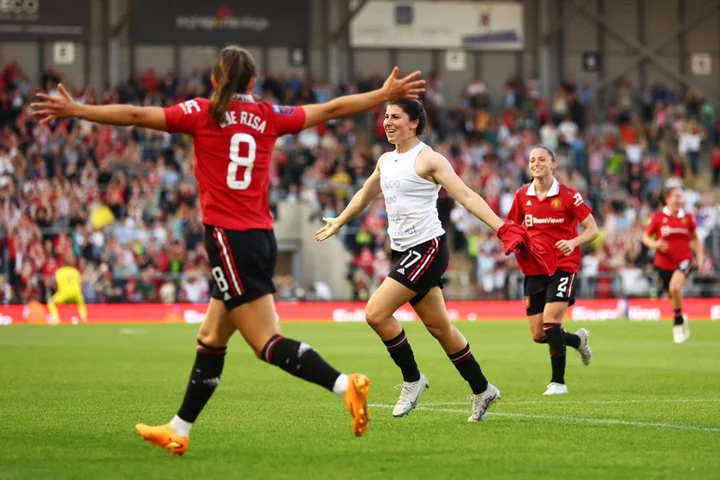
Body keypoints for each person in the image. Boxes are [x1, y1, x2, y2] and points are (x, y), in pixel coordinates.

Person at [33, 46, 426, 455]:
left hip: (228, 239)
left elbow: (135, 115)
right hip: (260, 237)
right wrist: (381, 96)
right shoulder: (268, 116)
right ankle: (179, 429)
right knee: (211, 337)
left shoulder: (201, 113)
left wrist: (78, 109)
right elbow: (330, 109)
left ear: (214, 80)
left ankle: (346, 385)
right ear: (253, 83)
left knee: (265, 343)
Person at [315, 99, 527, 422]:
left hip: (427, 248)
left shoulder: (429, 159)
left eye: (395, 117)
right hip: (403, 251)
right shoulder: (385, 160)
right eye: (385, 116)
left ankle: (412, 379)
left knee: (375, 313)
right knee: (440, 328)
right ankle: (483, 389)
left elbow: (467, 195)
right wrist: (339, 221)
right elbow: (364, 194)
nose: (387, 122)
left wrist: (501, 227)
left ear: (413, 123)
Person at [506, 145, 598, 396]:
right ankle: (578, 341)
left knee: (551, 322)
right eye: (532, 159)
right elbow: (511, 227)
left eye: (542, 159)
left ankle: (558, 382)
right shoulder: (521, 196)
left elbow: (592, 230)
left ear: (553, 164)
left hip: (562, 267)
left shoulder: (569, 196)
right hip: (533, 270)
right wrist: (514, 241)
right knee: (538, 334)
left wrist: (573, 242)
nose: (536, 163)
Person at [642, 186, 704, 344]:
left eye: (681, 197)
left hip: (684, 260)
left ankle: (677, 323)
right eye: (677, 196)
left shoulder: (688, 218)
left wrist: (701, 257)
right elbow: (645, 237)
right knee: (672, 294)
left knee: (675, 287)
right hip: (662, 264)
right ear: (667, 198)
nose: (680, 200)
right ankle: (680, 315)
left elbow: (695, 238)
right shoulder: (658, 217)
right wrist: (655, 245)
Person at [47, 260, 87, 325]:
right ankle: (84, 318)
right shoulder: (75, 271)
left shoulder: (59, 271)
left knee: (51, 302)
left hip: (65, 293)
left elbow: (56, 284)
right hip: (76, 293)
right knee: (81, 302)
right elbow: (80, 284)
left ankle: (56, 318)